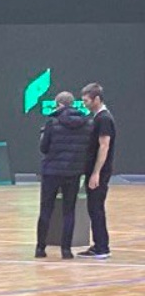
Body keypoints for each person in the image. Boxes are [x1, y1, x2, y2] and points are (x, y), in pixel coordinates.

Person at [36, 91, 90, 259]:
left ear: (58, 104)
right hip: (73, 173)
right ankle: (66, 250)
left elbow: (44, 148)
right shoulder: (86, 123)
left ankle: (40, 248)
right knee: (69, 211)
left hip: (51, 172)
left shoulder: (52, 122)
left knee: (46, 209)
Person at [78, 82, 116, 259]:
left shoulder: (104, 119)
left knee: (96, 207)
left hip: (100, 172)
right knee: (93, 208)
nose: (84, 104)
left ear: (97, 99)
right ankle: (99, 244)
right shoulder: (97, 118)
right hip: (94, 170)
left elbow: (104, 146)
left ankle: (102, 247)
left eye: (86, 100)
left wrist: (96, 172)